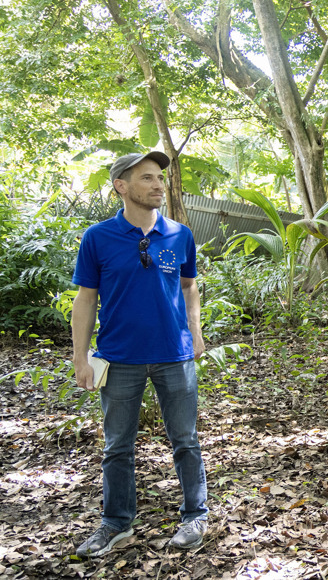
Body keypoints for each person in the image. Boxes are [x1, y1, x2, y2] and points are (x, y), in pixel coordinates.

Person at [71, 152, 209, 558]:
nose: (158, 185)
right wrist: (81, 358)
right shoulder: (97, 237)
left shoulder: (180, 234)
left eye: (160, 179)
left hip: (174, 355)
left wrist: (196, 333)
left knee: (185, 439)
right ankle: (116, 524)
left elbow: (189, 288)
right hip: (118, 357)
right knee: (117, 445)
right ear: (121, 186)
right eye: (147, 178)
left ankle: (195, 515)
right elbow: (85, 299)